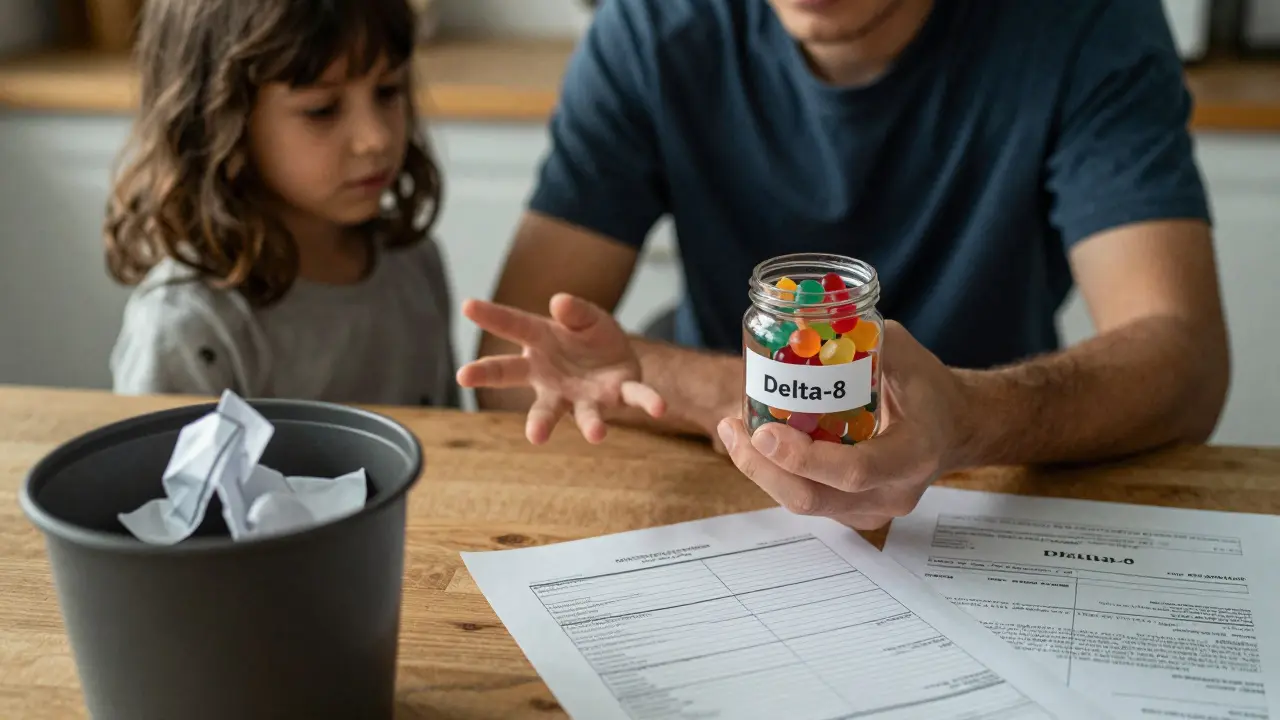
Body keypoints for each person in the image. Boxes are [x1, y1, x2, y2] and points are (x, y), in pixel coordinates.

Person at [458, 0, 1231, 530]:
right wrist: (769, 402)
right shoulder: (650, 28)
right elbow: (520, 361)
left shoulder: (1085, 21)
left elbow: (1184, 358)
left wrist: (965, 419)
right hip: (717, 488)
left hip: (1004, 475)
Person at [105, 0, 459, 408]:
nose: (375, 137)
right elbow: (160, 472)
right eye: (322, 110)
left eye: (388, 91)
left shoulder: (415, 265)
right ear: (220, 119)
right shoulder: (189, 327)